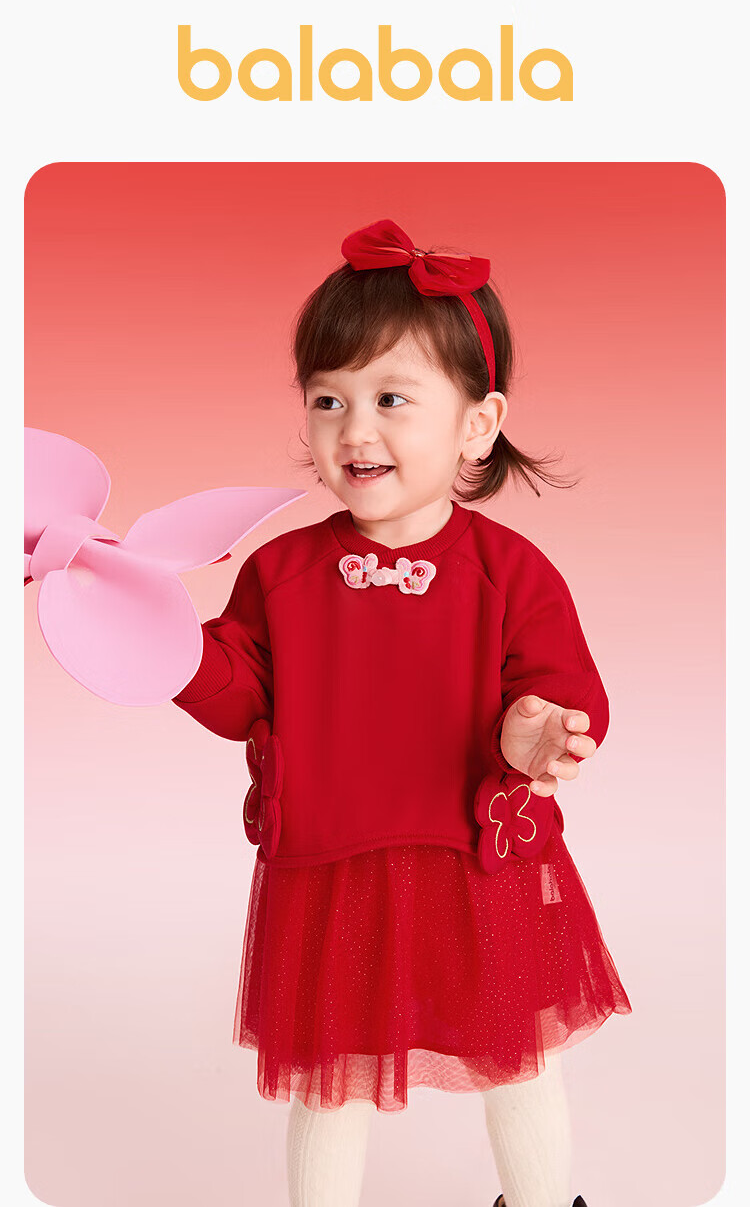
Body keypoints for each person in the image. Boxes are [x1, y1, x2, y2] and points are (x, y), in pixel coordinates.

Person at [171, 219, 632, 1207]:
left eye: (391, 398)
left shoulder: (511, 571)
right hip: (331, 871)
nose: (354, 429)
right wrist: (163, 646)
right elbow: (237, 691)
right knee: (328, 1080)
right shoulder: (280, 572)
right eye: (328, 399)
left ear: (477, 424)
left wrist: (537, 730)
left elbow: (565, 689)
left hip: (477, 863)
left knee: (519, 1062)